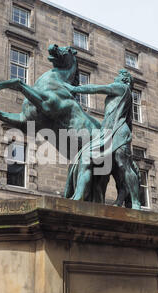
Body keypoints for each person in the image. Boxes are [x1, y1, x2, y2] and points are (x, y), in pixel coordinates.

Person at [63, 69, 141, 209]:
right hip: (107, 133)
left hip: (118, 131)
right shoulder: (124, 94)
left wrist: (74, 88)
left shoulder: (122, 88)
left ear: (126, 80)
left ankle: (136, 202)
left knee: (124, 166)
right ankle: (79, 195)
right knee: (86, 157)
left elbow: (97, 88)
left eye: (119, 76)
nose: (116, 77)